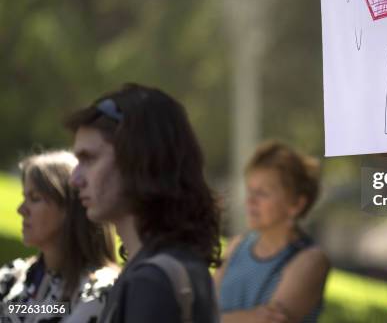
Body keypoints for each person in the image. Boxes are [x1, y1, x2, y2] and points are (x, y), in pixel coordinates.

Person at [66, 83, 221, 323]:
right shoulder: (174, 265)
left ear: (141, 160)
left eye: (89, 158)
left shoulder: (152, 281)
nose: (75, 179)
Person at [214, 141, 330, 323]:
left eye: (262, 193)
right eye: (250, 191)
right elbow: (202, 311)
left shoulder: (310, 260)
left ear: (296, 204)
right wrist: (249, 318)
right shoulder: (236, 246)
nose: (250, 201)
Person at [0, 150, 118, 323]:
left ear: (71, 208)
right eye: (24, 197)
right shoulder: (12, 276)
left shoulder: (98, 289)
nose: (21, 209)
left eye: (35, 198)